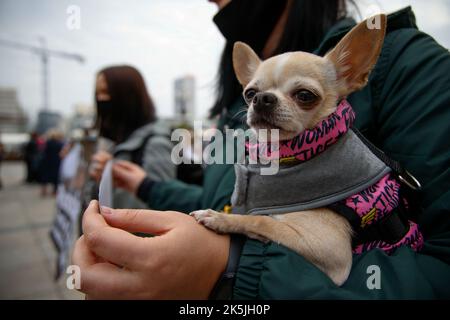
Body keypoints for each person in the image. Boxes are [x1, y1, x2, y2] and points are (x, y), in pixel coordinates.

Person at [73, 0, 450, 299]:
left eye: (303, 96)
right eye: (253, 94)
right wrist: (148, 187)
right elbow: (228, 201)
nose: (210, 1)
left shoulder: (408, 66)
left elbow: (441, 269)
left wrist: (229, 271)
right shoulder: (239, 117)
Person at [88, 65, 176, 209]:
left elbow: (158, 207)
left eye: (106, 92)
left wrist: (117, 174)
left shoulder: (155, 142)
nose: (101, 99)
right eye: (98, 93)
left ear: (127, 95)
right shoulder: (116, 140)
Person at [39, 129, 64, 197]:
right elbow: (61, 153)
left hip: (47, 161)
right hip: (56, 162)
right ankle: (54, 192)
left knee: (45, 177)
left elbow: (44, 151)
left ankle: (44, 191)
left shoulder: (48, 143)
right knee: (55, 177)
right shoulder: (59, 143)